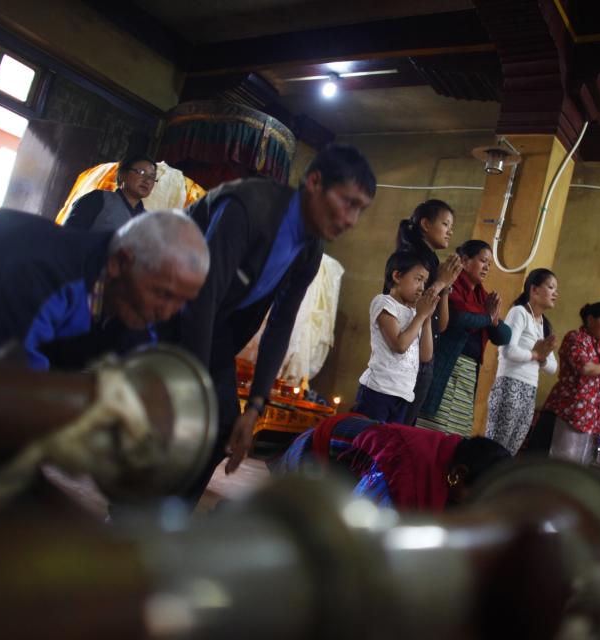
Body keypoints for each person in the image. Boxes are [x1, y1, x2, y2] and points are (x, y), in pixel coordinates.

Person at [177, 143, 376, 493]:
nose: (350, 221)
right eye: (348, 202)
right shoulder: (247, 206)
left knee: (224, 428)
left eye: (360, 210)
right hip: (166, 312)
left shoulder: (311, 249)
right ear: (314, 182)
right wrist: (191, 383)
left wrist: (254, 408)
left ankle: (169, 514)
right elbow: (200, 297)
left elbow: (281, 323)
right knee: (176, 420)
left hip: (216, 333)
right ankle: (129, 510)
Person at [0, 209, 208, 370]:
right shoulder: (43, 271)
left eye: (183, 301)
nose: (167, 312)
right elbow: (14, 386)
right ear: (119, 264)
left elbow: (132, 375)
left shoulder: (132, 304)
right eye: (163, 294)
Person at [272, 412, 511, 511]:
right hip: (309, 458)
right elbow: (359, 532)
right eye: (478, 496)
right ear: (458, 474)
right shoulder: (401, 470)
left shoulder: (447, 457)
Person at [417, 240, 511, 437]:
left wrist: (491, 320)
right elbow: (459, 318)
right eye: (483, 261)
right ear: (465, 261)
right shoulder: (451, 286)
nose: (486, 267)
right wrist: (488, 317)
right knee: (434, 430)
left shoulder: (482, 295)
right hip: (447, 364)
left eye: (489, 264)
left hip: (468, 373)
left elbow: (504, 336)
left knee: (456, 435)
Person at [528, 302, 600, 464]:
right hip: (568, 412)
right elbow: (585, 368)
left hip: (592, 419)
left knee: (578, 468)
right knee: (556, 462)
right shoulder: (575, 338)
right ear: (590, 319)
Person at [393, 200, 463, 424]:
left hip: (424, 356)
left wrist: (445, 287)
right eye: (445, 224)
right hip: (404, 355)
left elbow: (440, 325)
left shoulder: (433, 262)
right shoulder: (410, 258)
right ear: (425, 224)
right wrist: (440, 282)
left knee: (407, 426)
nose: (450, 231)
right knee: (394, 426)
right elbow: (413, 308)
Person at [353, 251, 439, 423]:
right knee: (366, 442)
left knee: (387, 446)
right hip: (378, 390)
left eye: (425, 281)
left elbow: (426, 356)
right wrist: (420, 317)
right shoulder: (384, 303)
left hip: (404, 394)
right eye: (417, 279)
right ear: (397, 276)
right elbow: (399, 346)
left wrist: (427, 318)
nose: (422, 287)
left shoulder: (416, 313)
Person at [484, 268, 558, 455]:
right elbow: (507, 350)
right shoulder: (519, 312)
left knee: (511, 450)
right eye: (551, 287)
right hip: (509, 385)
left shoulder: (544, 324)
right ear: (534, 290)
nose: (555, 293)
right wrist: (535, 355)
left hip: (529, 390)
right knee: (495, 447)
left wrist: (540, 357)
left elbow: (552, 367)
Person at [64, 154, 157, 230]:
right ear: (122, 174)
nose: (147, 180)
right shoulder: (98, 199)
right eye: (141, 172)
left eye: (152, 177)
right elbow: (69, 236)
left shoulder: (148, 220)